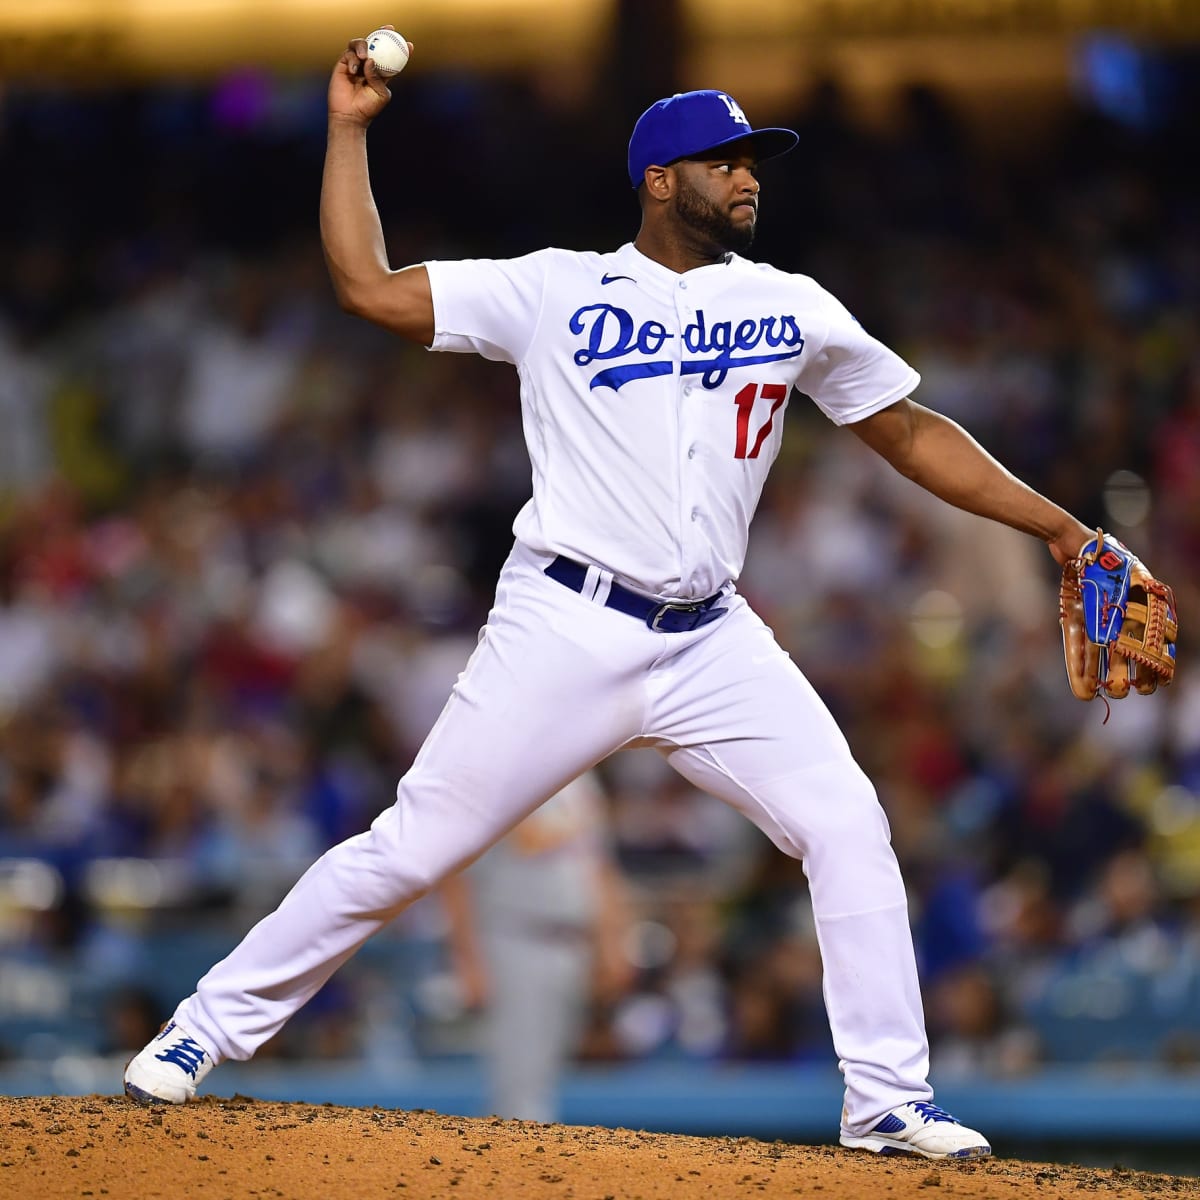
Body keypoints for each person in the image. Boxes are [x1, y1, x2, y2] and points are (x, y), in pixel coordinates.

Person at [125, 31, 1098, 1160]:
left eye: (754, 160)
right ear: (658, 178)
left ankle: (885, 1102)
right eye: (726, 159)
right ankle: (203, 1029)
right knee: (411, 849)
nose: (748, 176)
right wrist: (347, 131)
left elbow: (910, 433)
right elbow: (368, 288)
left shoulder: (791, 304)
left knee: (849, 825)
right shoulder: (556, 289)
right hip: (567, 622)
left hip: (714, 638)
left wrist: (1064, 529)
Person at [439, 770, 633, 1122]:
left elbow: (599, 867)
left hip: (574, 942)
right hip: (515, 937)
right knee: (518, 1077)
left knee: (546, 1074)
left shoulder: (582, 782)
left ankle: (517, 1165)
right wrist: (466, 959)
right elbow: (457, 874)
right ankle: (508, 1169)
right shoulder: (506, 774)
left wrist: (611, 942)